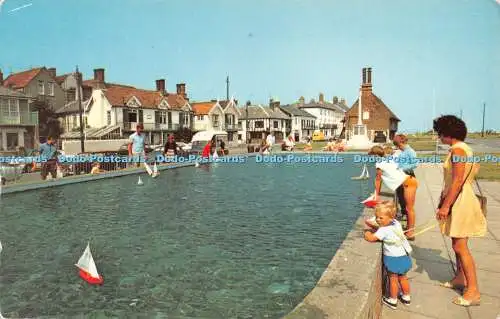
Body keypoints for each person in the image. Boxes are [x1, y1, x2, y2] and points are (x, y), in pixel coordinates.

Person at [434, 115, 486, 307]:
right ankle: (459, 278)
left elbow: (456, 181)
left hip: (460, 201)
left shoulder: (457, 150)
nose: (439, 138)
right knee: (457, 242)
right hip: (461, 199)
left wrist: (446, 206)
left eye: (440, 134)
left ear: (448, 134)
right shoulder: (466, 149)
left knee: (460, 247)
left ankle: (473, 291)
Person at [364, 201, 412, 310]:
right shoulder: (396, 223)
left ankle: (393, 300)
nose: (377, 220)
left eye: (380, 218)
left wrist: (367, 232)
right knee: (403, 277)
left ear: (390, 218)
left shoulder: (384, 230)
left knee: (393, 279)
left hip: (393, 258)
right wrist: (379, 225)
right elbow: (386, 230)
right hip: (403, 255)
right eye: (376, 217)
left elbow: (371, 238)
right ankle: (406, 297)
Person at [368, 145, 418, 240]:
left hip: (407, 183)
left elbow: (378, 180)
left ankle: (410, 233)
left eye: (371, 156)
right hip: (410, 181)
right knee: (408, 208)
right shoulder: (389, 159)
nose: (371, 159)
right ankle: (409, 229)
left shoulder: (379, 163)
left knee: (409, 208)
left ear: (376, 155)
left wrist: (376, 195)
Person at [393, 134, 418, 231]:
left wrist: (401, 168)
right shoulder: (403, 152)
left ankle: (410, 230)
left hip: (408, 178)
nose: (398, 147)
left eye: (398, 145)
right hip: (402, 179)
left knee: (409, 207)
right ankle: (408, 227)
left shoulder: (410, 151)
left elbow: (415, 164)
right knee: (403, 203)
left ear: (401, 142)